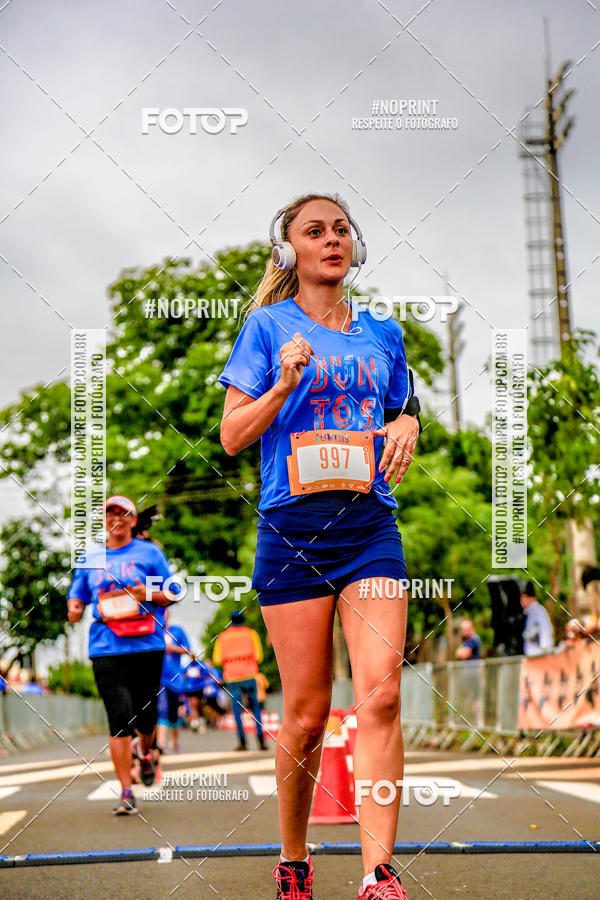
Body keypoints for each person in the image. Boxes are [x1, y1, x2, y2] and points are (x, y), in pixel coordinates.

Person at [219, 193, 421, 899]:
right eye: (315, 231)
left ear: (354, 248)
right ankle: (295, 857)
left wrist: (407, 425)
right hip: (293, 532)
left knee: (383, 696)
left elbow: (402, 404)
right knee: (305, 717)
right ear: (290, 252)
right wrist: (282, 384)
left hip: (369, 527)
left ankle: (377, 872)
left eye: (342, 229)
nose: (332, 239)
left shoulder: (383, 333)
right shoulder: (267, 327)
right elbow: (234, 435)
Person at [67, 495, 179, 816]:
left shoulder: (149, 553)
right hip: (105, 645)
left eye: (122, 512)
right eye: (109, 512)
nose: (116, 517)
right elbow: (78, 592)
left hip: (146, 643)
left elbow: (173, 591)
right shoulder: (91, 555)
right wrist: (75, 607)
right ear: (104, 520)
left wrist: (149, 593)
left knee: (145, 714)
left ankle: (147, 752)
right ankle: (126, 790)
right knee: (119, 717)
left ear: (132, 520)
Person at [213, 610, 267, 752]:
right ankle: (261, 741)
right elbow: (259, 656)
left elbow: (217, 659)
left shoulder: (222, 637)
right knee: (256, 708)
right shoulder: (251, 634)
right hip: (249, 675)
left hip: (232, 677)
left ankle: (242, 742)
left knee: (237, 710)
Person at [156, 608, 191, 755]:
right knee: (161, 710)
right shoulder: (154, 631)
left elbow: (188, 650)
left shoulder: (178, 631)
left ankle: (175, 741)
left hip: (175, 679)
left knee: (174, 715)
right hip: (159, 678)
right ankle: (161, 744)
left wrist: (171, 648)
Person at [520, 581, 554, 657]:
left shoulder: (537, 610)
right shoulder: (530, 612)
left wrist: (544, 646)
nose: (521, 602)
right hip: (532, 653)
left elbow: (545, 628)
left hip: (539, 653)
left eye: (522, 598)